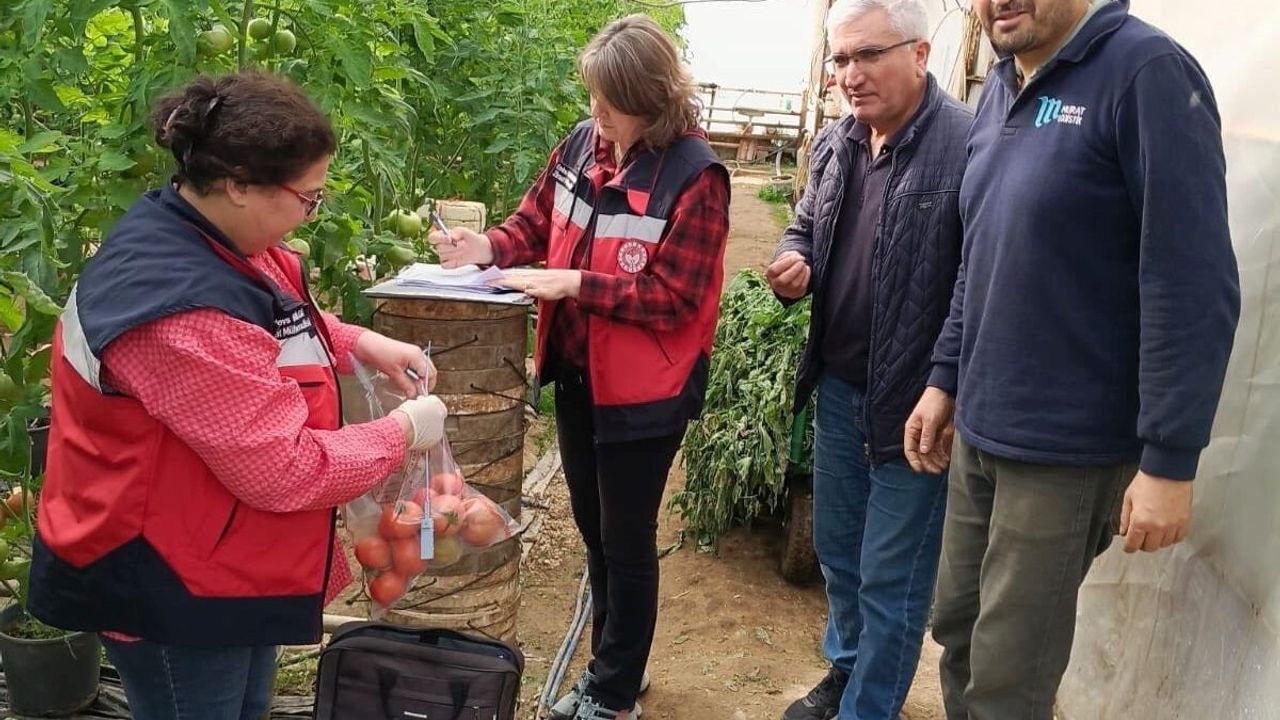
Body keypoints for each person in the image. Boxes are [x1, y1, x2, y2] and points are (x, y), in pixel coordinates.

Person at [29, 70, 450, 720]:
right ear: (240, 185)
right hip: (168, 582)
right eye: (308, 198)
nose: (314, 210)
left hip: (225, 556)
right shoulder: (178, 312)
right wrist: (403, 432)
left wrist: (357, 342)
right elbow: (285, 470)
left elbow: (270, 320)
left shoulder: (214, 239)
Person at [903, 1, 1241, 717]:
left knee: (1009, 674)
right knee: (957, 629)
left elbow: (1192, 278)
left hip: (1067, 449)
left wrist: (1169, 460)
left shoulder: (1145, 73)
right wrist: (945, 376)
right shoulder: (1000, 81)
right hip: (981, 431)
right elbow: (983, 252)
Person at [429, 15, 730, 720]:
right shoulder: (584, 144)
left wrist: (571, 285)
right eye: (592, 97)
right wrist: (489, 246)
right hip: (580, 372)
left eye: (608, 100)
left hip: (646, 391)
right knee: (595, 530)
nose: (595, 112)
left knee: (626, 541)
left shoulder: (696, 178)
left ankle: (615, 693)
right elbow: (534, 221)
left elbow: (675, 297)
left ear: (651, 99)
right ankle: (614, 665)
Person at [766, 2, 973, 719]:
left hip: (917, 406)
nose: (851, 76)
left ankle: (869, 708)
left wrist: (946, 386)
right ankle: (847, 672)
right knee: (838, 550)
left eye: (868, 56)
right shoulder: (838, 143)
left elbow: (978, 285)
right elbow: (805, 224)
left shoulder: (966, 148)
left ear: (919, 55)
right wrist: (794, 258)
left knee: (894, 576)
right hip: (840, 388)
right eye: (841, 59)